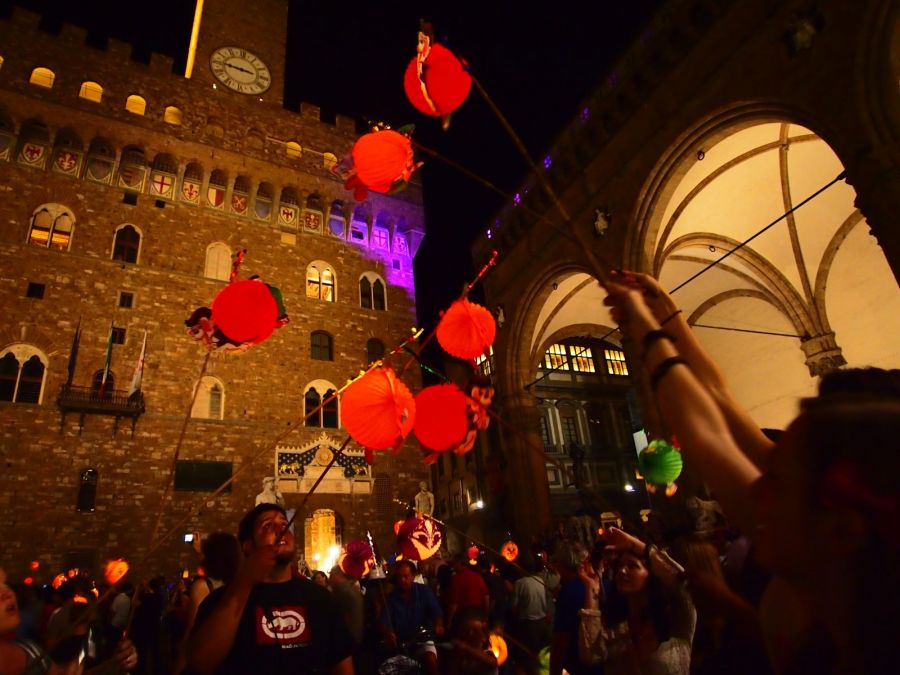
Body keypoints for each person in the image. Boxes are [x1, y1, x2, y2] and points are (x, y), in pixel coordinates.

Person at [603, 270, 900, 674]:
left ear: (843, 529)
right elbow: (722, 403)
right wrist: (666, 316)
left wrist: (648, 332)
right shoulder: (819, 573)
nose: (757, 491)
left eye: (775, 481)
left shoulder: (812, 607)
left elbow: (708, 435)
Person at [187, 503, 354, 674]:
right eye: (268, 525)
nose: (281, 529)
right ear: (248, 546)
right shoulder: (220, 600)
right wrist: (244, 581)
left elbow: (342, 665)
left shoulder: (320, 599)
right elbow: (200, 663)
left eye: (283, 524)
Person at [578, 528, 695, 675]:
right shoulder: (618, 626)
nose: (622, 571)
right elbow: (591, 655)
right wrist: (591, 589)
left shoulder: (673, 620)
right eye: (619, 566)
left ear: (651, 574)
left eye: (632, 565)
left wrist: (635, 545)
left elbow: (681, 583)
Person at [379, 560, 444, 675]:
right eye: (399, 577)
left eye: (406, 576)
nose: (402, 580)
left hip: (423, 639)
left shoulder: (424, 591)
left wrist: (438, 625)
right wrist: (388, 633)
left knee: (430, 660)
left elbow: (436, 612)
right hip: (402, 645)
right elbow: (384, 622)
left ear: (413, 576)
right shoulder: (391, 597)